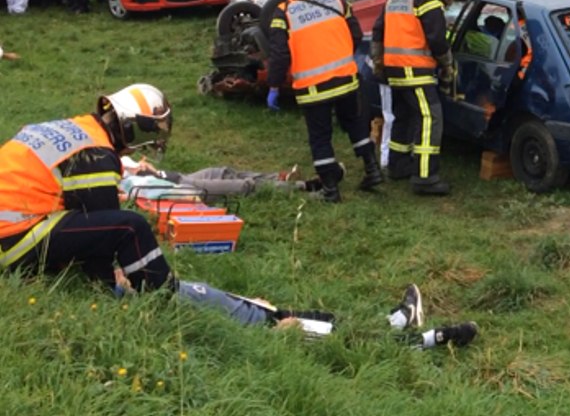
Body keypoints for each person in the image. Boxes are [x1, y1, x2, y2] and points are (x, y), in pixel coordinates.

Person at [0, 83, 176, 293]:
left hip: (12, 224)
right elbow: (103, 234)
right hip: (14, 239)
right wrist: (107, 283)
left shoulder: (78, 129)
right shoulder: (97, 154)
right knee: (130, 226)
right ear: (132, 129)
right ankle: (161, 294)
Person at [267, 0, 382, 203]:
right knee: (355, 124)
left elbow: (278, 54)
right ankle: (372, 169)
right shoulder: (337, 1)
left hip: (313, 89)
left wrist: (274, 85)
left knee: (320, 136)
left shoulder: (282, 13)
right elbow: (355, 35)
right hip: (347, 79)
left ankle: (330, 190)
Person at [168, 280, 478, 349]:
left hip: (264, 314)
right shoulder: (158, 303)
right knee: (352, 342)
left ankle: (401, 320)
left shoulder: (156, 280)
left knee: (331, 320)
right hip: (267, 333)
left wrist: (248, 301)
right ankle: (436, 337)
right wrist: (272, 337)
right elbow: (210, 337)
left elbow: (213, 301)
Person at [372, 0, 455, 196]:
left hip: (394, 70)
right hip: (415, 69)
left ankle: (398, 166)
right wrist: (447, 65)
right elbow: (436, 37)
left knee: (404, 117)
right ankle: (425, 177)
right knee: (430, 117)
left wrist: (379, 64)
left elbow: (377, 30)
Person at [119, 155, 303, 198]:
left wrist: (149, 169)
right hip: (181, 188)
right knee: (241, 186)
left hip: (180, 177)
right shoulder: (118, 182)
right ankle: (304, 188)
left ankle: (280, 178)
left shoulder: (119, 157)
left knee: (224, 172)